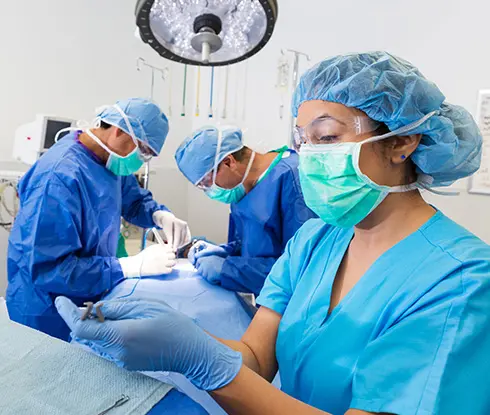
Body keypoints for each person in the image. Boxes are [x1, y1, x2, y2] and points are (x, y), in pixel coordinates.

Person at [56, 52, 490, 414]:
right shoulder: (314, 242)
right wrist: (179, 338)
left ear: (401, 142)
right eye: (304, 141)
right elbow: (259, 358)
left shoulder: (461, 282)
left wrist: (202, 361)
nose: (308, 158)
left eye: (327, 136)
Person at [7, 98, 191, 341]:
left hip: (87, 295)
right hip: (47, 312)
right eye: (143, 150)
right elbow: (48, 269)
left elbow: (132, 200)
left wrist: (159, 215)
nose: (142, 159)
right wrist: (128, 267)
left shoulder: (109, 159)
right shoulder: (58, 177)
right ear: (118, 131)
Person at [174, 126, 316, 295]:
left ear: (228, 162)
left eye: (206, 183)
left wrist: (228, 269)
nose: (209, 191)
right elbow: (256, 244)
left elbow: (301, 269)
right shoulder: (242, 187)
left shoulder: (292, 180)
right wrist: (226, 252)